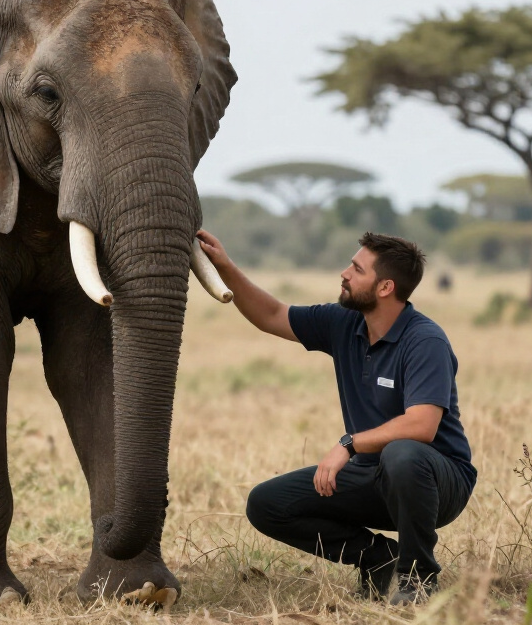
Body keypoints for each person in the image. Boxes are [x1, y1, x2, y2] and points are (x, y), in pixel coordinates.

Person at [197, 229, 476, 605]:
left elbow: (421, 427)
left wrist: (349, 443)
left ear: (385, 287)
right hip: (372, 474)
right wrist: (224, 266)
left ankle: (419, 578)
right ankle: (378, 558)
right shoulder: (344, 323)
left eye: (357, 269)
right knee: (267, 504)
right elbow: (272, 314)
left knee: (402, 453)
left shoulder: (425, 341)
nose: (344, 273)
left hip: (437, 481)